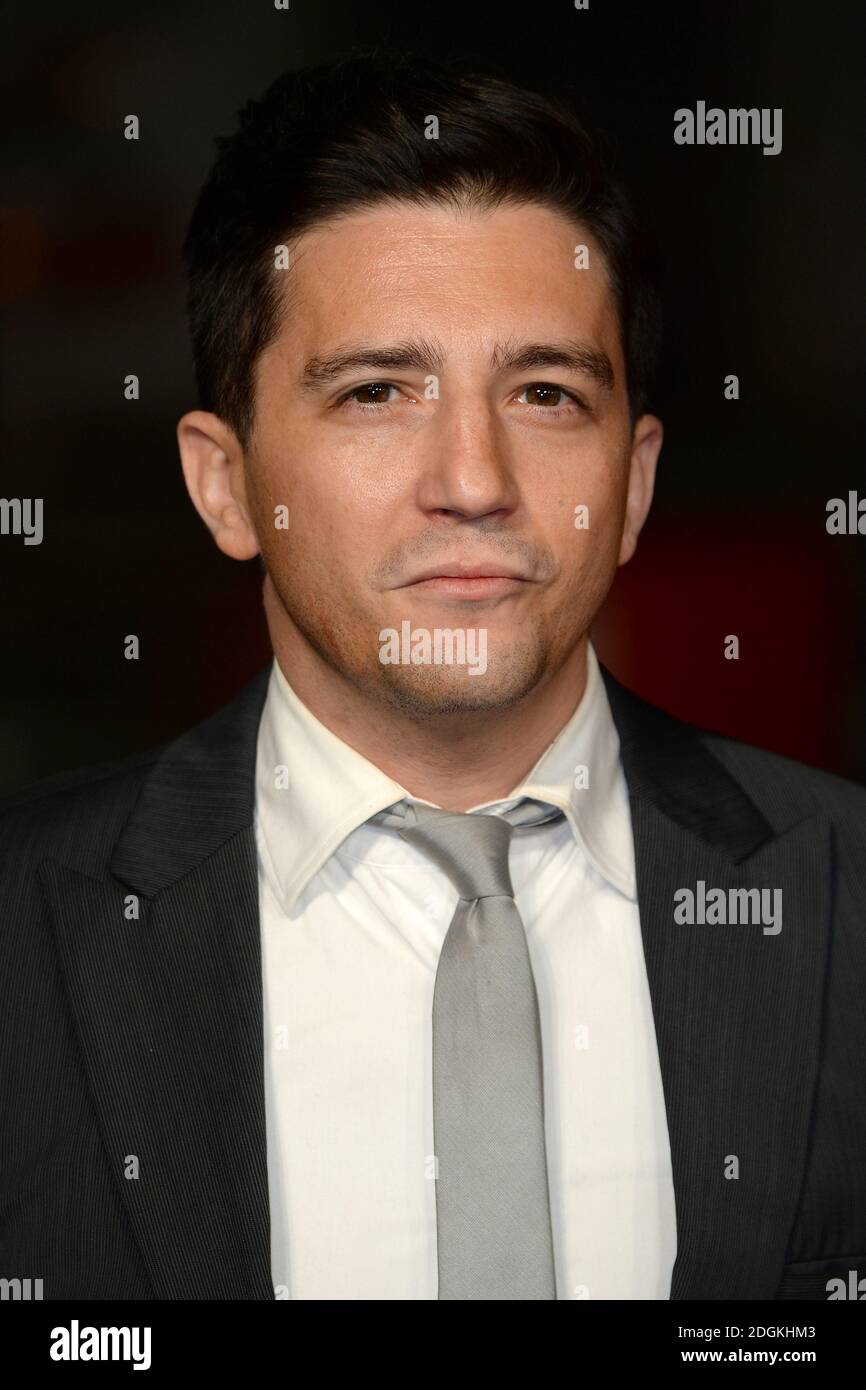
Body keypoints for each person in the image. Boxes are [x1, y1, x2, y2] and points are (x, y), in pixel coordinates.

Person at [1, 48, 864, 1302]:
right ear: (225, 484)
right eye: (375, 391)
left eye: (546, 392)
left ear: (631, 484)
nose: (472, 478)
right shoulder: (23, 932)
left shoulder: (842, 897)